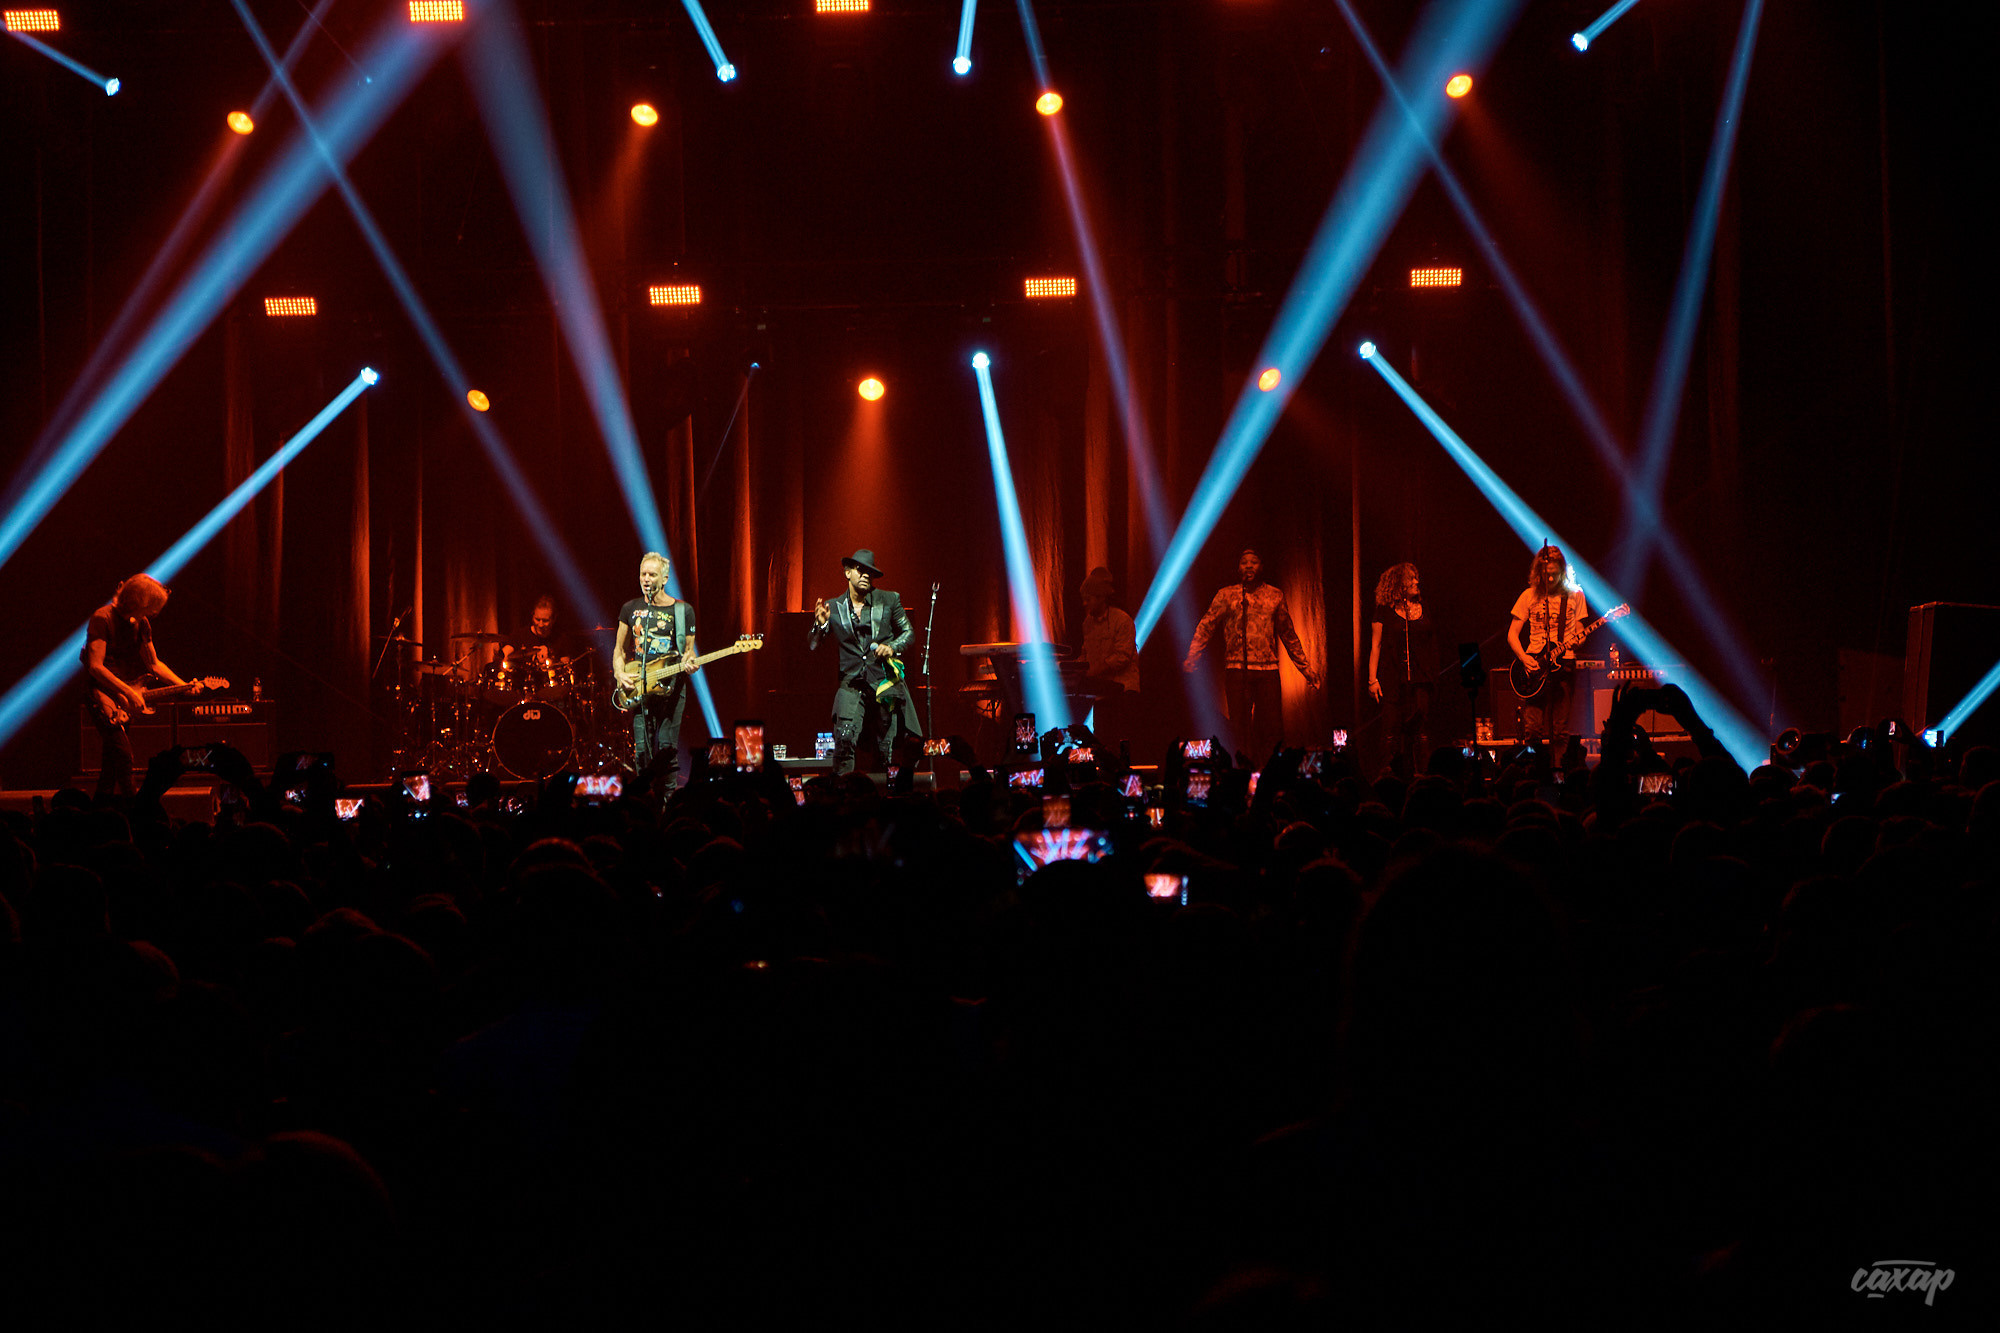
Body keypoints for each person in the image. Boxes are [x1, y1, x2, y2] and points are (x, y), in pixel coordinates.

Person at [1184, 548, 1321, 761]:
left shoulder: (1275, 595)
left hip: (1268, 671)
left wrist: (1306, 669)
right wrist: (1193, 655)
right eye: (1244, 562)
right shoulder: (1226, 595)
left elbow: (1288, 634)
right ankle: (1241, 770)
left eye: (1253, 562)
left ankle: (1268, 771)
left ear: (1261, 567)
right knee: (1239, 727)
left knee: (1271, 728)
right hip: (1237, 670)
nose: (1248, 566)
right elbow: (1207, 625)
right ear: (1238, 568)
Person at [809, 548, 922, 776]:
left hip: (883, 683)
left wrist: (892, 647)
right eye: (860, 570)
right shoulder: (833, 607)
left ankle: (883, 791)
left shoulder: (889, 600)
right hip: (851, 683)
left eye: (870, 572)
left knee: (884, 748)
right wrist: (821, 625)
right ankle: (843, 790)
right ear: (847, 573)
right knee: (844, 741)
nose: (865, 575)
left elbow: (909, 632)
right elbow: (813, 645)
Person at [81, 573, 186, 798]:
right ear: (138, 602)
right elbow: (95, 667)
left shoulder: (141, 623)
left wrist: (184, 685)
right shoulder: (102, 618)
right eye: (151, 608)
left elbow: (154, 664)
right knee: (123, 755)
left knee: (110, 765)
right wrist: (128, 691)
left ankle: (100, 809)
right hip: (102, 694)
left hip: (124, 699)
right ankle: (136, 807)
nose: (153, 613)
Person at [612, 552, 696, 781]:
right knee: (642, 751)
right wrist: (619, 673)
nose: (646, 579)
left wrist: (690, 663)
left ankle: (667, 798)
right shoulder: (630, 608)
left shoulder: (683, 611)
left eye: (652, 574)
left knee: (667, 749)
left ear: (665, 578)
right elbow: (619, 649)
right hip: (641, 687)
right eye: (643, 574)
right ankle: (644, 796)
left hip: (671, 688)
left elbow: (689, 652)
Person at [1508, 545, 1588, 748]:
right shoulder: (1529, 595)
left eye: (1555, 574)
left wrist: (1579, 640)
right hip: (1535, 667)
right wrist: (1524, 658)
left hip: (1564, 664)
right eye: (1546, 574)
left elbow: (1580, 629)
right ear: (1538, 572)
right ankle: (1535, 767)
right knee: (1532, 730)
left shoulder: (1575, 595)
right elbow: (1512, 634)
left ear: (1562, 572)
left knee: (1560, 731)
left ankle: (1559, 767)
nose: (1550, 579)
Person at [1368, 562, 1437, 776]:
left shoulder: (1424, 606)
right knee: (1391, 730)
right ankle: (1388, 776)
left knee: (1421, 731)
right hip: (1393, 679)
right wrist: (1372, 679)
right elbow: (1376, 645)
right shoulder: (1384, 611)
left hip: (1421, 679)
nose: (1416, 582)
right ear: (1398, 583)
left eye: (1416, 577)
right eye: (1411, 578)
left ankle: (1422, 775)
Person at [1076, 567, 1139, 747]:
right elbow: (1085, 654)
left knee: (1122, 741)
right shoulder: (1087, 624)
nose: (1085, 604)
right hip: (1101, 693)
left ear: (1101, 598)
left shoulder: (1122, 620)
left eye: (1088, 599)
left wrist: (1094, 670)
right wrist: (1072, 669)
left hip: (1124, 692)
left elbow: (1122, 657)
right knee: (1102, 741)